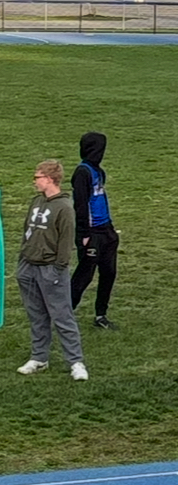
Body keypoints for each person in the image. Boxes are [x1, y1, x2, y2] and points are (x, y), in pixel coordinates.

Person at [16, 161, 88, 380]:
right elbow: (26, 231)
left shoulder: (64, 207)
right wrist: (22, 260)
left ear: (49, 178)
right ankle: (39, 357)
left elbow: (66, 242)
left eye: (37, 176)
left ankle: (76, 362)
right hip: (29, 266)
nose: (35, 181)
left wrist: (58, 269)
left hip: (50, 269)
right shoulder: (36, 201)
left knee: (62, 316)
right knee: (36, 315)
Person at [69, 132, 119, 330]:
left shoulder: (99, 171)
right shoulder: (82, 172)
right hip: (92, 232)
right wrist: (83, 234)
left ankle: (101, 315)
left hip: (106, 231)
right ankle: (65, 313)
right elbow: (80, 205)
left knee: (109, 273)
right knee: (84, 275)